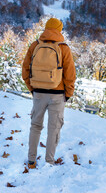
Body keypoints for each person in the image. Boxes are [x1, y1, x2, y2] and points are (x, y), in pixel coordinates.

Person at [22, 18, 76, 168]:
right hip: (57, 94)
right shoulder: (63, 48)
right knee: (54, 128)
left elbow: (25, 69)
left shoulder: (35, 45)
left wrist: (32, 88)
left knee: (35, 126)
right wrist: (68, 93)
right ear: (59, 29)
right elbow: (70, 74)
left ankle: (31, 160)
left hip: (38, 92)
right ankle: (49, 162)